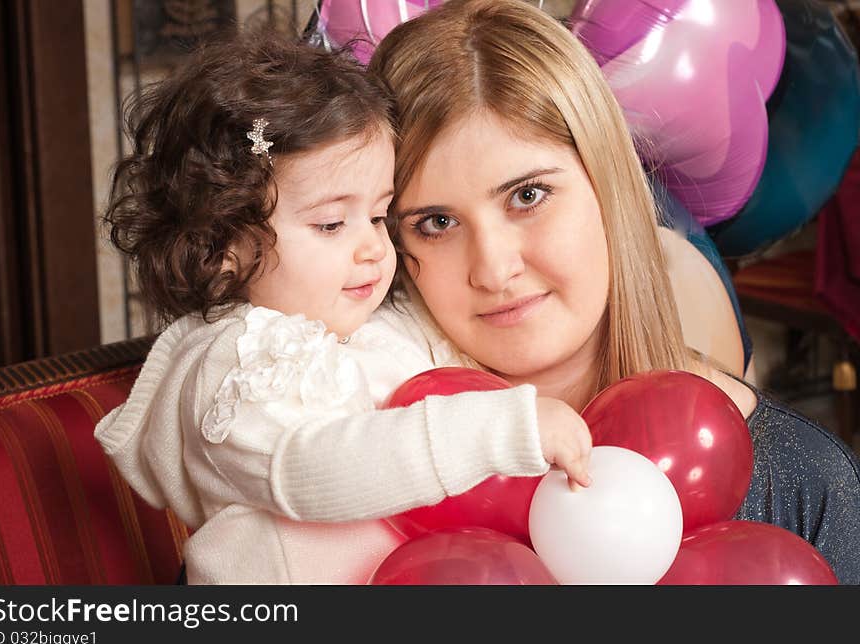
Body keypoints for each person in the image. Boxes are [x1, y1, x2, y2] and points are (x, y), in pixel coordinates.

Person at [367, 0, 860, 583]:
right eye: (437, 223)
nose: (494, 270)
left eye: (527, 196)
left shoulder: (802, 484)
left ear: (609, 189)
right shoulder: (346, 467)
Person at [94, 25, 593, 584]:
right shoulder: (237, 361)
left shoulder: (377, 326)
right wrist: (499, 431)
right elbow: (312, 466)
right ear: (224, 248)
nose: (373, 247)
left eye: (380, 215)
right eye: (331, 223)